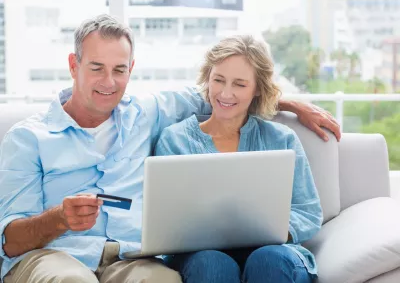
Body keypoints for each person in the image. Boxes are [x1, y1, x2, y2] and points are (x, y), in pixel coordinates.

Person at [0, 15, 337, 283]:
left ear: (131, 69)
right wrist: (58, 219)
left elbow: (224, 96)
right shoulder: (29, 138)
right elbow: (10, 241)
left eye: (119, 69)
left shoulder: (146, 113)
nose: (109, 82)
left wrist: (287, 104)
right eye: (96, 68)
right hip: (58, 256)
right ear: (74, 65)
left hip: (129, 259)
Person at [155, 35, 323, 283]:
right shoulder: (174, 140)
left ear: (257, 89)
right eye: (218, 80)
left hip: (274, 255)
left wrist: (268, 232)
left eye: (240, 84)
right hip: (201, 257)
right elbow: (165, 220)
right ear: (207, 79)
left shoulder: (282, 140)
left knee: (267, 259)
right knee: (212, 264)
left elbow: (308, 211)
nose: (225, 93)